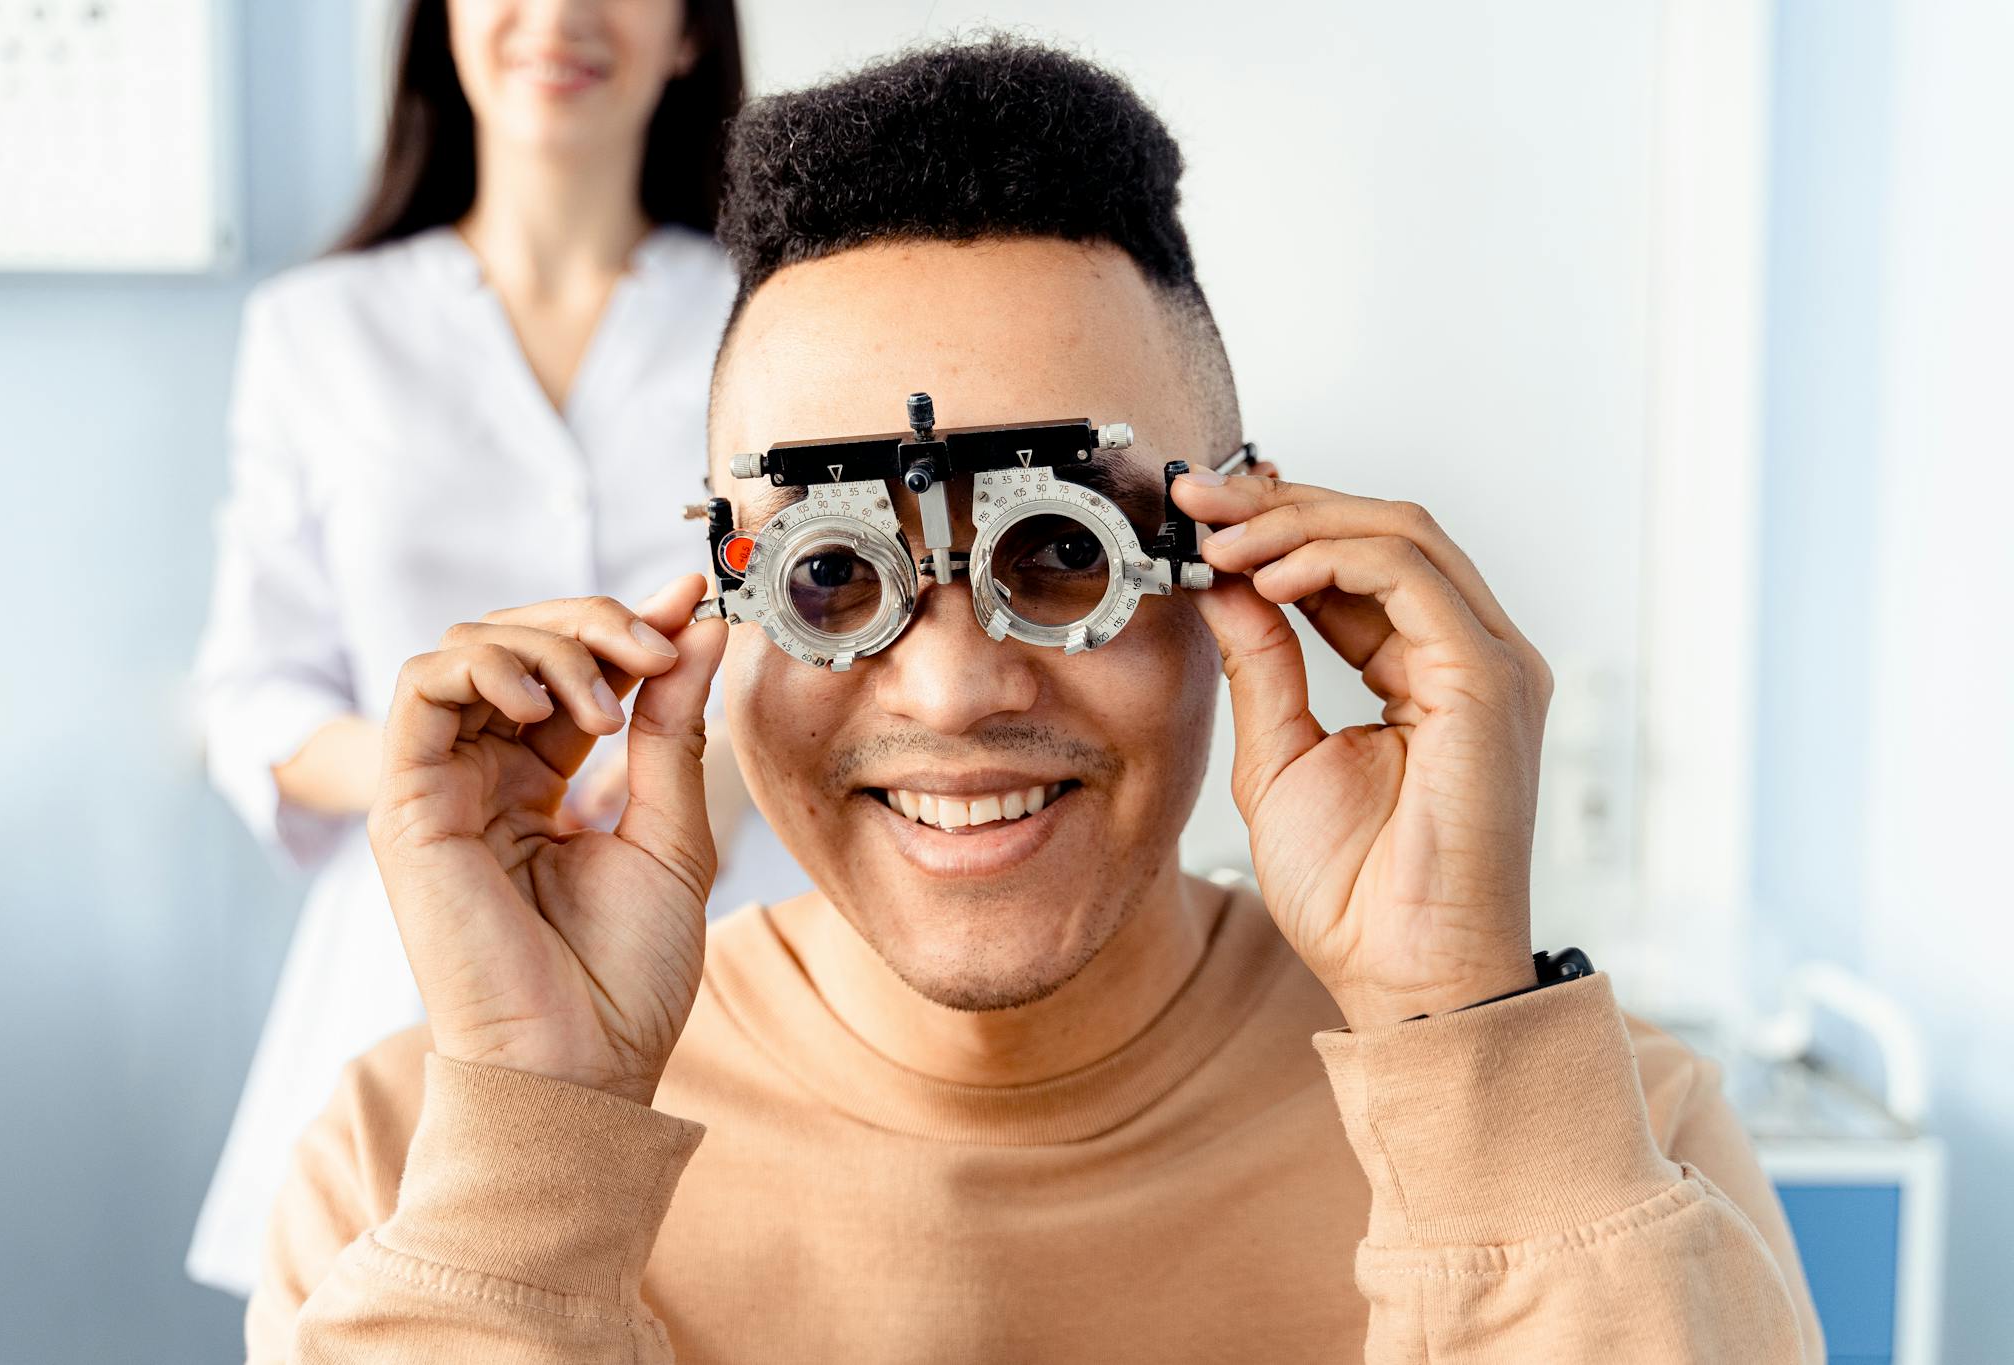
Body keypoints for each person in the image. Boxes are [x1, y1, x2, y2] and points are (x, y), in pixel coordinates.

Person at [245, 38, 1825, 1363]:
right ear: (715, 602)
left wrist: (1465, 1060)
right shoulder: (419, 1169)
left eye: (1057, 553)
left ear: (1238, 560)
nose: (950, 682)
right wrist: (535, 1151)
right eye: (830, 575)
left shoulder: (1613, 1148)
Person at [188, 0, 801, 1299]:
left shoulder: (781, 323)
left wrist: (693, 799)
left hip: (737, 921)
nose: (564, 13)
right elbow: (254, 693)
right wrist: (446, 780)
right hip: (412, 945)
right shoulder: (318, 329)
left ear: (691, 31)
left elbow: (832, 632)